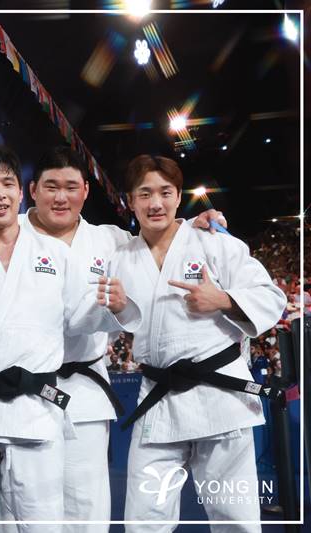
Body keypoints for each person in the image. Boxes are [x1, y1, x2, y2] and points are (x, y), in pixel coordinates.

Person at [0, 145, 225, 533]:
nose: (61, 197)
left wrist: (195, 222)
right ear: (31, 190)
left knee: (86, 506)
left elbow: (160, 232)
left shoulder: (111, 240)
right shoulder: (4, 232)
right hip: (14, 394)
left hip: (83, 391)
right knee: (14, 509)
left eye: (71, 187)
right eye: (50, 186)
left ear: (85, 192)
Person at [0, 143, 140, 530]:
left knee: (44, 523)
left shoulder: (55, 254)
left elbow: (80, 316)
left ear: (20, 192)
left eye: (7, 184)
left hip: (36, 410)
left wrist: (113, 307)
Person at [115, 155, 286, 531]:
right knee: (144, 519)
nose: (155, 203)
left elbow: (271, 297)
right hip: (158, 399)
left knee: (234, 518)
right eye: (144, 194)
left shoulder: (215, 243)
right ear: (130, 200)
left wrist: (222, 300)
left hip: (219, 400)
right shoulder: (121, 257)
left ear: (179, 197)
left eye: (165, 192)